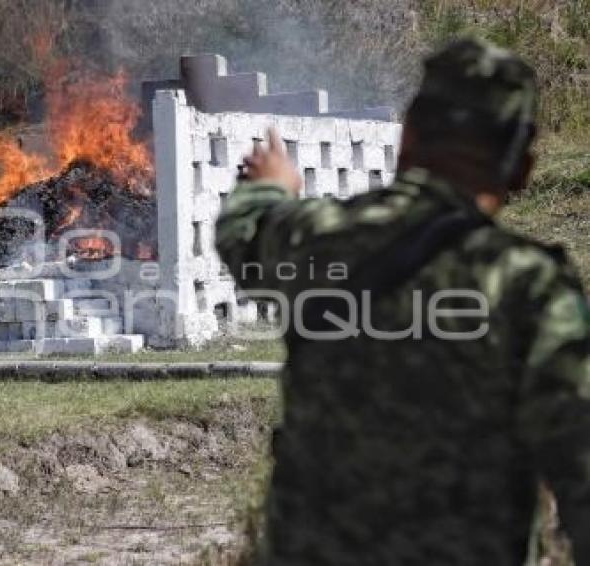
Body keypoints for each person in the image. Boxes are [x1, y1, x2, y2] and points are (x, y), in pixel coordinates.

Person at [215, 38, 590, 565]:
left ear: (407, 137)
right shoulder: (529, 285)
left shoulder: (318, 239)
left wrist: (272, 186)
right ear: (523, 169)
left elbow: (243, 232)